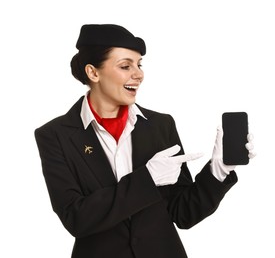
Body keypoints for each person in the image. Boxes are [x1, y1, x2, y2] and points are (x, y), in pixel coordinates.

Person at [34, 24, 255, 258]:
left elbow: (182, 213)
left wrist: (217, 171)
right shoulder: (55, 135)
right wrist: (147, 179)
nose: (138, 74)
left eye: (139, 65)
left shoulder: (161, 125)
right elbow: (76, 218)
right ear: (93, 73)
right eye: (125, 66)